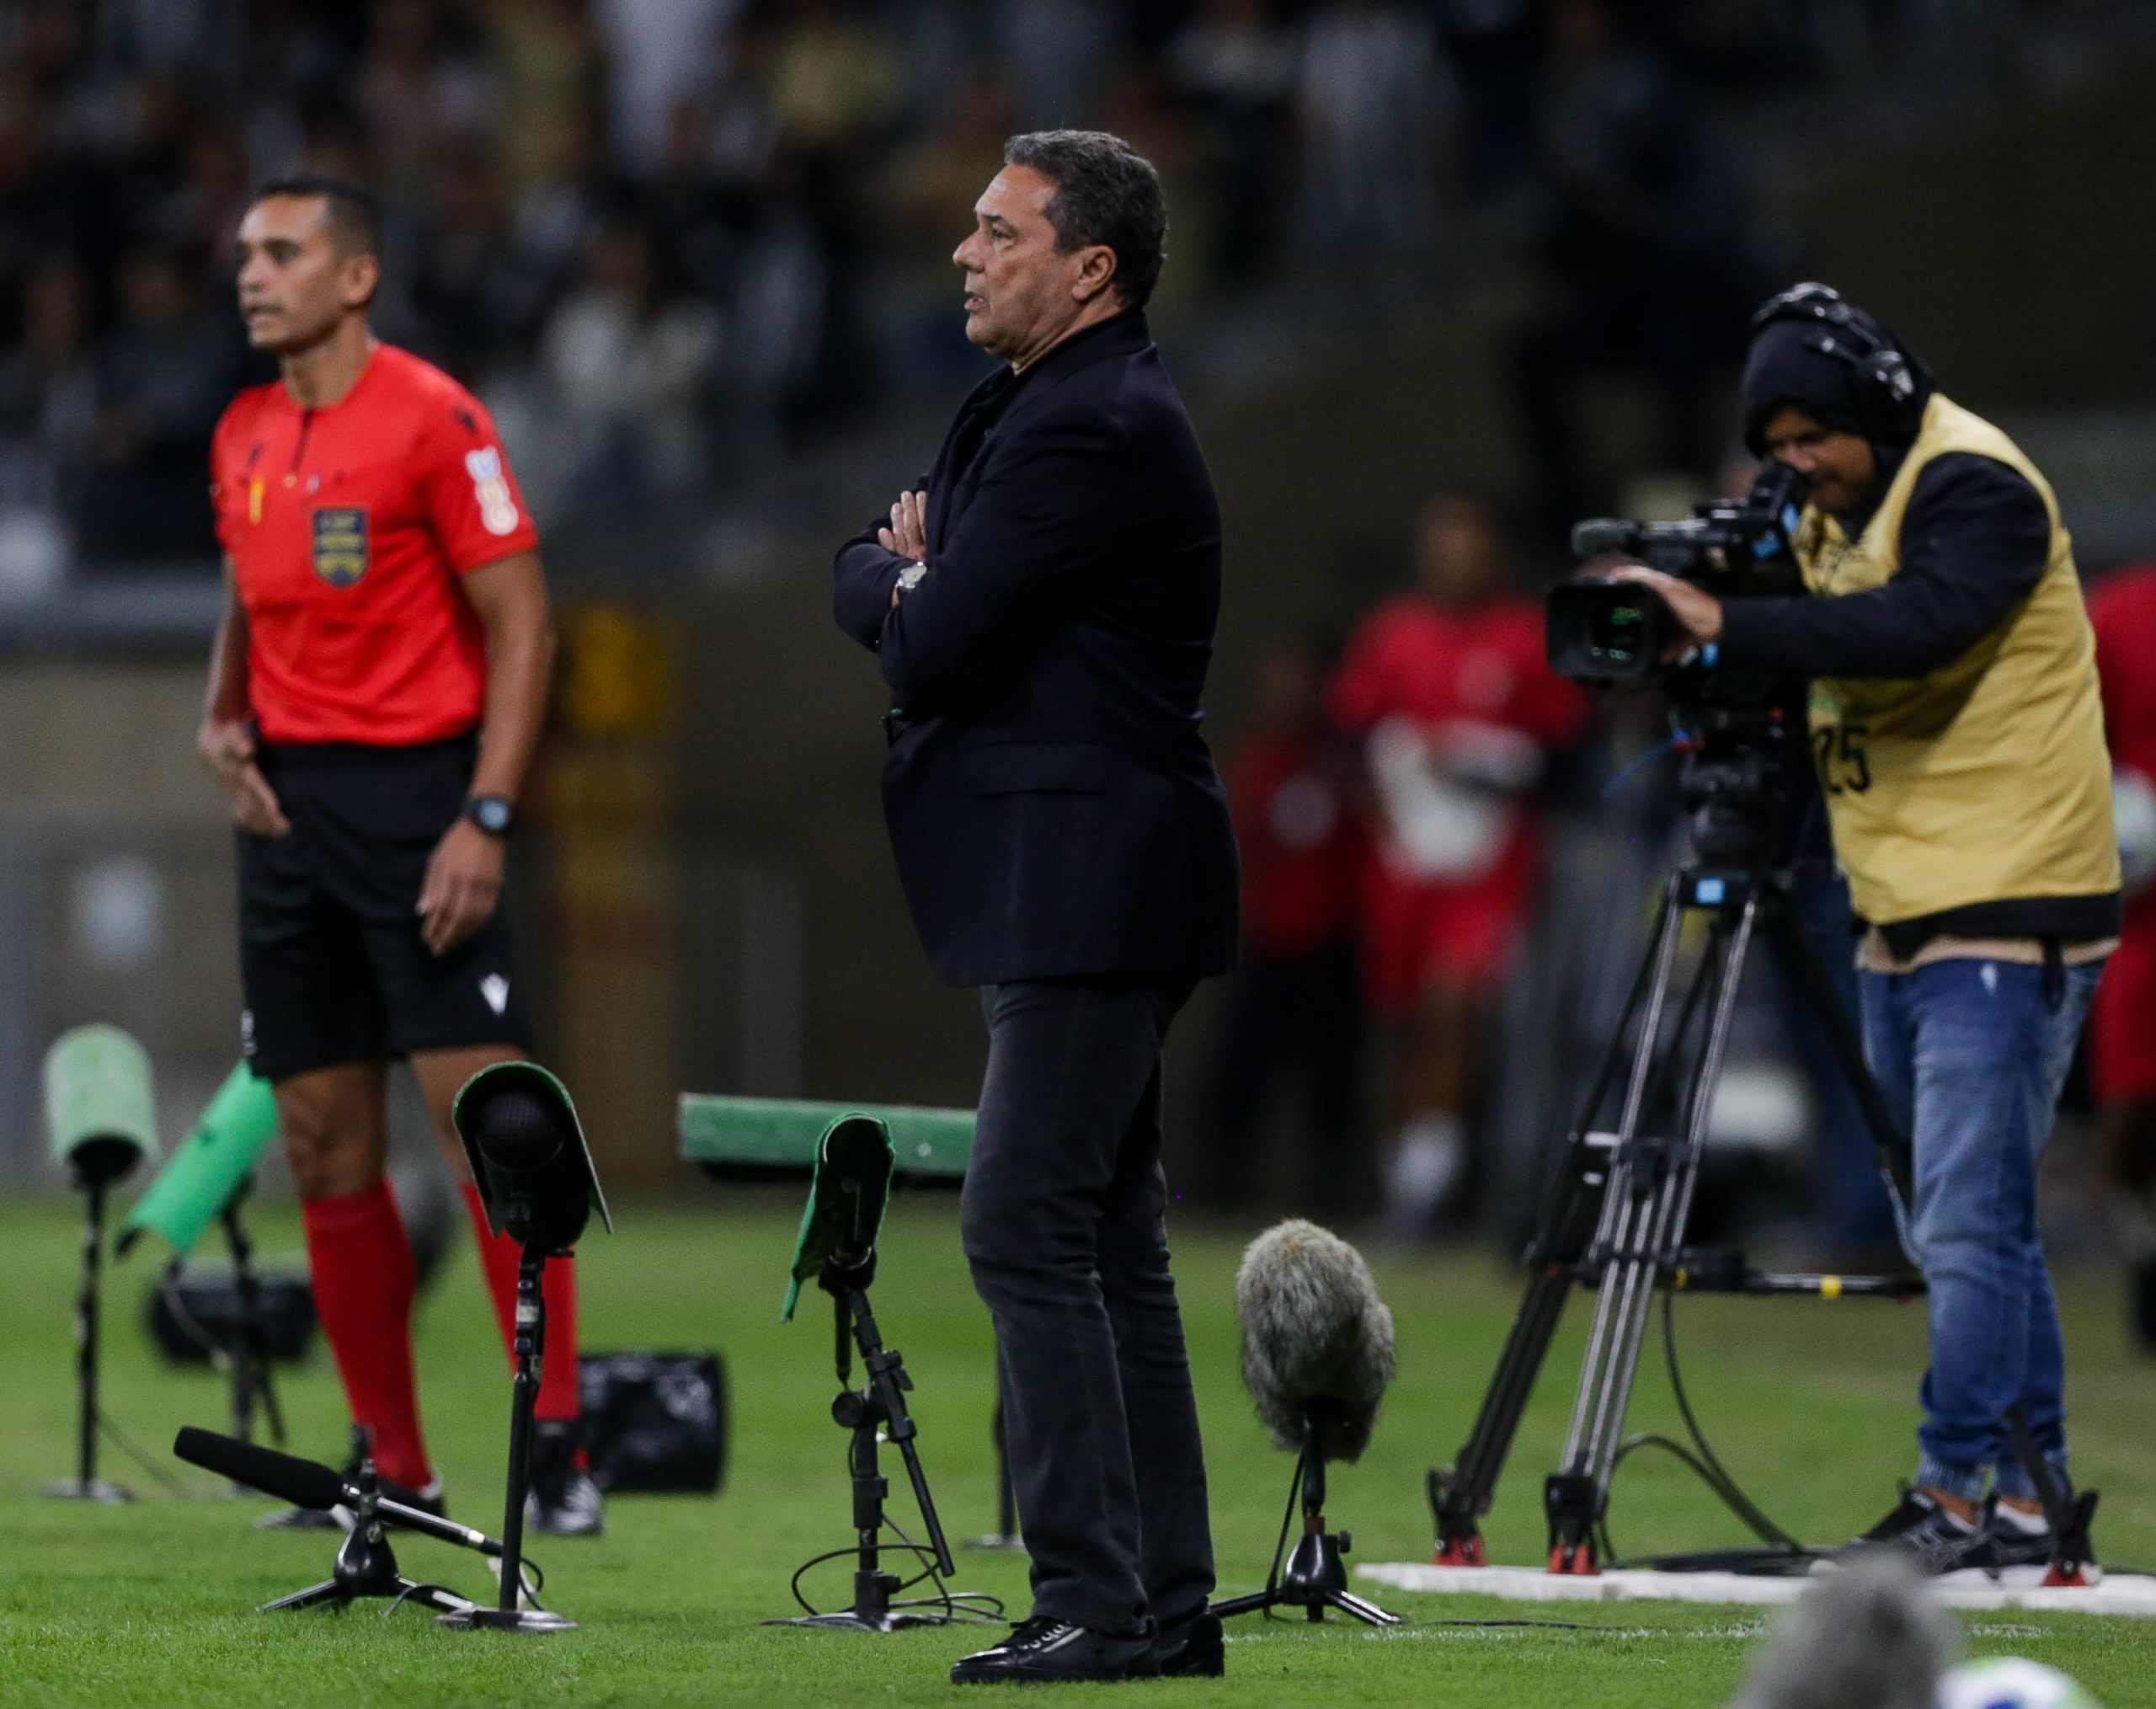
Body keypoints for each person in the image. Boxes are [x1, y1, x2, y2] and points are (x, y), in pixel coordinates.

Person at [1617, 283, 2121, 1574]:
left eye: (1810, 440)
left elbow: (1915, 628)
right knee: (1964, 1220)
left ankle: (1958, 1494)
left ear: (1876, 414)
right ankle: (2025, 1489)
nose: (1796, 467)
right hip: (1904, 902)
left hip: (2008, 902)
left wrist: (1731, 620)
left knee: (1963, 1219)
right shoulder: (1836, 498)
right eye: (1775, 443)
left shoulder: (1976, 486)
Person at [830, 131, 1237, 1685]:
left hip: (1093, 877)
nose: (963, 251)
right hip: (1082, 873)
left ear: (1091, 270)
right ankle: (1161, 1597)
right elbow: (889, 574)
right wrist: (906, 573)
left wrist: (907, 580)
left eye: (998, 232)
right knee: (1106, 1234)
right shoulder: (1042, 402)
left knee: (1021, 1218)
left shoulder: (1097, 424)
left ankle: (1097, 1595)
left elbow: (929, 636)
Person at [197, 175, 600, 1535]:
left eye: (280, 251)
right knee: (319, 1138)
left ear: (354, 276)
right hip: (288, 819)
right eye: (245, 252)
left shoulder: (437, 417)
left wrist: (485, 816)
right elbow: (251, 588)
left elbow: (526, 626)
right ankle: (395, 1463)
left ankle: (557, 1445)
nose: (249, 271)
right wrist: (222, 707)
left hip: (425, 797)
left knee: (495, 1124)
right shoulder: (245, 427)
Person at [1329, 494, 1583, 1234]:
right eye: (1440, 544)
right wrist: (1390, 816)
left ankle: (1431, 1182)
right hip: (1401, 865)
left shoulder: (1523, 636)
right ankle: (1399, 1171)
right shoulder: (1393, 634)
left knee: (1457, 1008)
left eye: (1467, 544)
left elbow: (1559, 755)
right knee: (1397, 1021)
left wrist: (1484, 767)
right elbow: (1352, 737)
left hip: (1488, 868)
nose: (1453, 559)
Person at [1202, 636, 1365, 1215]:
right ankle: (1217, 1194)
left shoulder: (1350, 764)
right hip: (1269, 944)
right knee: (1236, 1076)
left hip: (1333, 948)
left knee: (1332, 1088)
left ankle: (1331, 1201)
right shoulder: (1259, 757)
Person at [2086, 562, 2156, 1348]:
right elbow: (2076, 731)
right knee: (2135, 1094)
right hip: (2147, 905)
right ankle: (2144, 1250)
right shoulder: (2124, 612)